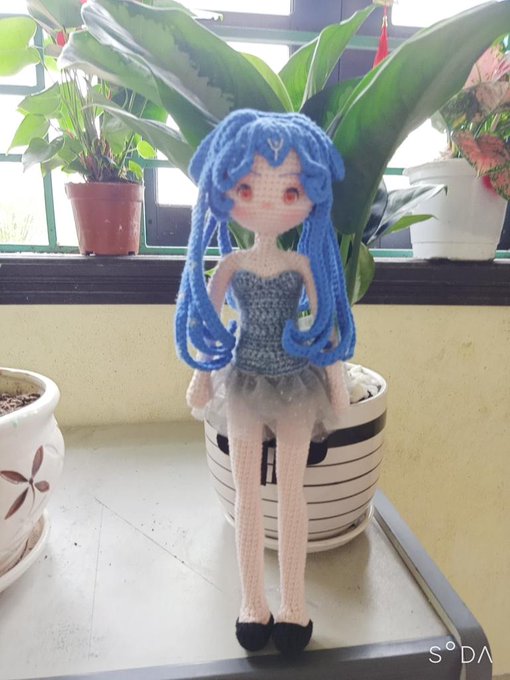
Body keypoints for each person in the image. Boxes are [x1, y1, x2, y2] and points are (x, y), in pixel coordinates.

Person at [175, 109, 356, 655]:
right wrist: (202, 376)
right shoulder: (230, 265)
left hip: (296, 382)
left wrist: (337, 381)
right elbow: (208, 316)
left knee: (292, 492)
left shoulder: (304, 265)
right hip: (245, 384)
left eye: (291, 191)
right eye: (248, 188)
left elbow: (325, 329)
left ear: (310, 196)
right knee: (247, 494)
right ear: (224, 191)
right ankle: (253, 602)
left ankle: (294, 605)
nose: (271, 204)